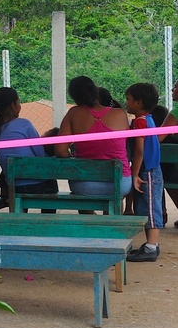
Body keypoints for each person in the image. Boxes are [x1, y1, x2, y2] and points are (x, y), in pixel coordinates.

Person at [53, 76, 132, 201]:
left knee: (77, 180)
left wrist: (74, 159)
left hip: (84, 184)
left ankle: (90, 216)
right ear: (96, 91)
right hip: (121, 183)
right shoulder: (120, 113)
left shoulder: (74, 113)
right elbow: (123, 145)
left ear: (74, 97)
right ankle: (109, 218)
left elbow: (60, 150)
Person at [0, 87, 57, 209]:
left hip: (14, 188)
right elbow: (41, 156)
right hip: (37, 186)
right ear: (13, 105)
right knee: (51, 179)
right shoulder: (24, 124)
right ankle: (49, 219)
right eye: (19, 102)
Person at [125, 82, 164, 262]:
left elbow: (139, 151)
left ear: (139, 103)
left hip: (147, 170)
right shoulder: (148, 118)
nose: (126, 103)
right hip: (150, 168)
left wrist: (134, 174)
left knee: (150, 208)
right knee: (147, 206)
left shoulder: (140, 122)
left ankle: (151, 247)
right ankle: (150, 245)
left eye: (129, 100)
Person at [160, 81, 178, 227]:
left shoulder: (176, 112)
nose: (172, 89)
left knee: (161, 171)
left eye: (176, 87)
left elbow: (158, 137)